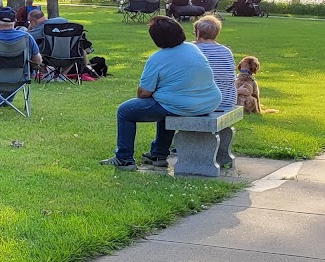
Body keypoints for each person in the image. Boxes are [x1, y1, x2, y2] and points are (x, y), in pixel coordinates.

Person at [101, 15, 221, 169]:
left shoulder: (156, 59)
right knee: (167, 106)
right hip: (208, 102)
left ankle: (124, 158)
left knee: (125, 111)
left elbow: (143, 93)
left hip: (183, 105)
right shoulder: (193, 48)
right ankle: (158, 154)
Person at [192, 14, 237, 112]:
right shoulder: (226, 51)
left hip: (205, 102)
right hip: (228, 100)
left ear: (198, 32)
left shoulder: (194, 50)